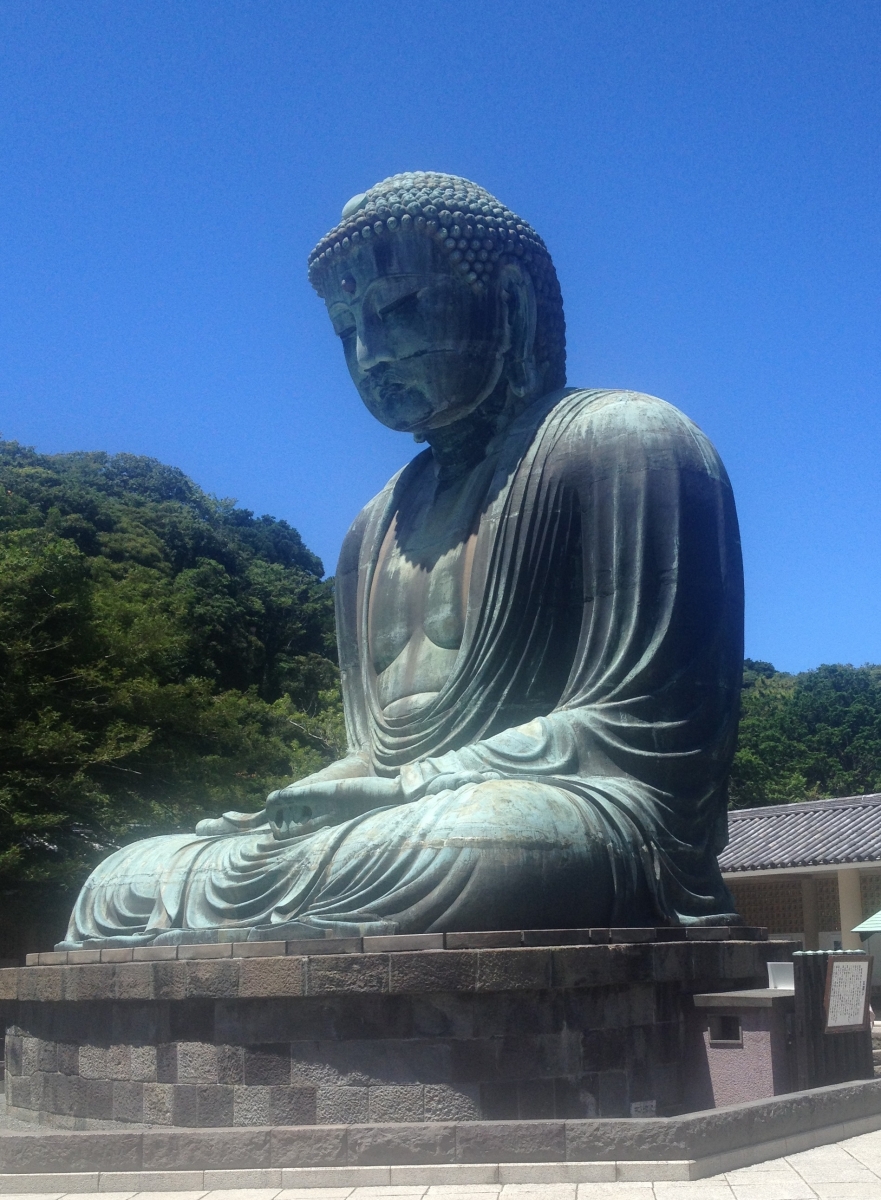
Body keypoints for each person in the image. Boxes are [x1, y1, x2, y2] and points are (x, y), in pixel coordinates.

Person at [60, 172, 743, 948]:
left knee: (484, 844)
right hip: (397, 822)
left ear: (510, 304)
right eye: (346, 330)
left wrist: (410, 787)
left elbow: (647, 727)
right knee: (125, 877)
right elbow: (374, 750)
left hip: (566, 815)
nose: (370, 353)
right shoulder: (371, 527)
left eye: (399, 309)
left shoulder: (625, 442)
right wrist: (302, 802)